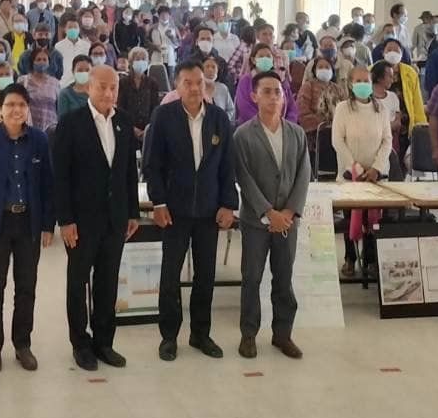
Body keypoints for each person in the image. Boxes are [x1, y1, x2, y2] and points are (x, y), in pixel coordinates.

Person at [144, 60, 237, 361]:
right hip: (174, 210)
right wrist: (158, 203)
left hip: (209, 211)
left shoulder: (219, 118)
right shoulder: (164, 116)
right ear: (177, 86)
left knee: (205, 275)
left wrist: (228, 204)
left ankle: (200, 333)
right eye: (188, 83)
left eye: (199, 82)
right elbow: (152, 165)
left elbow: (228, 166)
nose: (195, 88)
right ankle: (169, 336)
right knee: (170, 275)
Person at [51, 64, 138, 371]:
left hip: (115, 220)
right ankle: (80, 343)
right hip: (81, 221)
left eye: (113, 87)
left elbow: (128, 172)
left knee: (107, 282)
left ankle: (104, 342)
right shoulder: (70, 123)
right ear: (89, 87)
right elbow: (60, 176)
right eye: (102, 87)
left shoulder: (124, 122)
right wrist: (65, 220)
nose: (108, 93)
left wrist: (132, 212)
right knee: (78, 282)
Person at [0, 83, 54, 372]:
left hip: (28, 222)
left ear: (28, 109)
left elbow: (47, 184)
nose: (16, 110)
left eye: (21, 105)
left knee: (26, 287)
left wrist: (47, 225)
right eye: (10, 105)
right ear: (0, 110)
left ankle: (22, 344)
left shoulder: (39, 140)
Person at [231, 70, 309, 360]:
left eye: (278, 91)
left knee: (284, 278)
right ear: (254, 96)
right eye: (267, 91)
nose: (274, 97)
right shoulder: (242, 135)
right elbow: (244, 177)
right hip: (256, 221)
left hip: (287, 221)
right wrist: (267, 212)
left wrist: (288, 211)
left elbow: (303, 174)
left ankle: (283, 334)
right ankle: (248, 334)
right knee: (251, 278)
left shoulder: (297, 133)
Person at [333, 65, 394, 279]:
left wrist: (376, 168)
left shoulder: (381, 108)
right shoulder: (343, 108)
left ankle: (370, 259)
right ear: (350, 85)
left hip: (376, 175)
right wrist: (356, 168)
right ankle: (350, 258)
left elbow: (387, 140)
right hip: (350, 174)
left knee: (373, 220)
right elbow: (337, 140)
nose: (362, 85)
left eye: (365, 81)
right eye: (358, 81)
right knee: (351, 217)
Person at [295, 53, 343, 159]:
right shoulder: (308, 87)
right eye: (320, 67)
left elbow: (345, 110)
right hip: (316, 135)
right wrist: (323, 125)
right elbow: (301, 111)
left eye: (327, 67)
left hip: (338, 132)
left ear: (332, 71)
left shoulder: (338, 89)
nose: (324, 69)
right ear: (314, 71)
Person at [119, 46, 160, 139]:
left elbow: (155, 108)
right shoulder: (123, 82)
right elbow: (121, 108)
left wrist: (148, 129)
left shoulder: (152, 83)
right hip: (128, 129)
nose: (141, 61)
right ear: (131, 62)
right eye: (137, 59)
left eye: (143, 59)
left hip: (148, 129)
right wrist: (132, 129)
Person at [20, 45, 61, 132]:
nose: (41, 62)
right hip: (28, 129)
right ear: (32, 62)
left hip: (51, 129)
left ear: (49, 63)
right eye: (38, 60)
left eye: (44, 60)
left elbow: (59, 108)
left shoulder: (55, 83)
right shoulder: (23, 81)